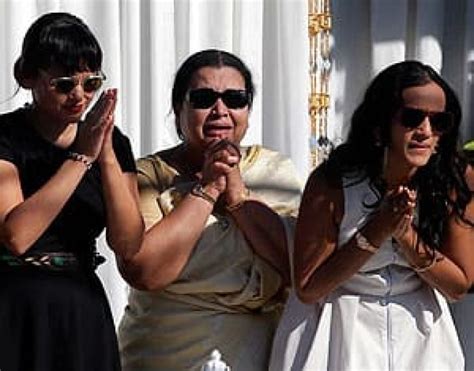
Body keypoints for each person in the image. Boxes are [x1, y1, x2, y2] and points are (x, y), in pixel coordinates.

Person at [269, 61, 474, 370]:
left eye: (439, 121)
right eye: (412, 117)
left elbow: (458, 286)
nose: (426, 131)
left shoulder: (454, 181)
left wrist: (406, 236)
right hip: (335, 329)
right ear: (380, 125)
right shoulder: (333, 182)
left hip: (420, 336)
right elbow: (309, 288)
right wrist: (376, 231)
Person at [117, 49, 301, 371]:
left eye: (235, 98)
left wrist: (237, 196)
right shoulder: (148, 175)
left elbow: (297, 267)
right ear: (178, 109)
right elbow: (147, 271)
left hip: (253, 352)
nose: (220, 111)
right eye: (203, 98)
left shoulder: (274, 171)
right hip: (162, 350)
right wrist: (208, 189)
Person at [0, 12, 144, 371]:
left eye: (91, 83)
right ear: (29, 77)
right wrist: (82, 156)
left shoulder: (110, 141)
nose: (80, 96)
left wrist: (106, 154)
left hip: (80, 306)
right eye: (65, 84)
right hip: (14, 303)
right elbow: (17, 235)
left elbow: (128, 244)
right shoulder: (7, 136)